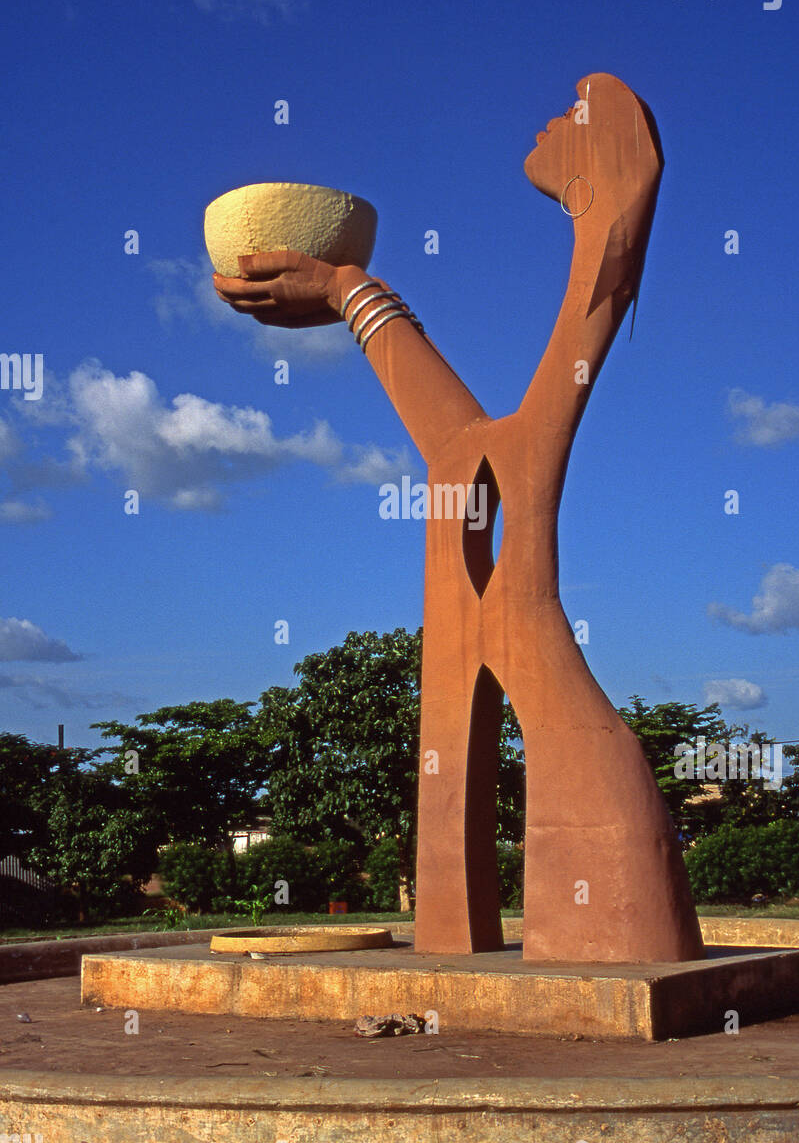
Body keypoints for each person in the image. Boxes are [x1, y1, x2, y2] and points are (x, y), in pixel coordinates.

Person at [214, 73, 703, 963]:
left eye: (581, 116)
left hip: (565, 722)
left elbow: (578, 336)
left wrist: (614, 219)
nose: (556, 118)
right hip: (480, 610)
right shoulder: (478, 457)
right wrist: (348, 290)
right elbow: (460, 445)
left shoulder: (599, 269)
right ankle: (460, 933)